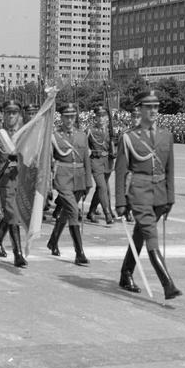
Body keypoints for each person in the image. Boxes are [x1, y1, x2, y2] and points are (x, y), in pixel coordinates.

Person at [114, 90, 182, 300]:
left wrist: (170, 197)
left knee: (140, 234)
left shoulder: (166, 135)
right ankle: (167, 284)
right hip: (140, 192)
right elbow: (121, 171)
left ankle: (126, 273)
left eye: (155, 107)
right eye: (148, 107)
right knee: (150, 236)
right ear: (140, 109)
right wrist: (120, 202)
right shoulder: (128, 137)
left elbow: (170, 168)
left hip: (160, 194)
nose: (153, 111)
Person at [46, 103, 92, 266]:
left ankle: (53, 240)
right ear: (61, 117)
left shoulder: (82, 136)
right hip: (63, 178)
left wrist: (88, 182)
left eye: (72, 116)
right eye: (66, 116)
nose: (69, 120)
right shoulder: (55, 136)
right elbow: (49, 159)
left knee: (66, 212)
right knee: (73, 210)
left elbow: (86, 159)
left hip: (79, 178)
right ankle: (79, 252)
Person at [0, 99, 27, 267]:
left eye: (14, 113)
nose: (11, 116)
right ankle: (18, 254)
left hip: (22, 181)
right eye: (8, 113)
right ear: (3, 115)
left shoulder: (25, 134)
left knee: (10, 215)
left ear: (19, 115)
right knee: (13, 214)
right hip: (6, 181)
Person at [86, 106, 115, 225]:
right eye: (99, 116)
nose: (101, 118)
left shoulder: (111, 131)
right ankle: (107, 213)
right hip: (95, 161)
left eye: (103, 116)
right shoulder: (90, 131)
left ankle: (91, 212)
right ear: (95, 118)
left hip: (108, 161)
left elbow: (117, 145)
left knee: (100, 189)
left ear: (107, 118)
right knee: (102, 187)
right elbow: (84, 146)